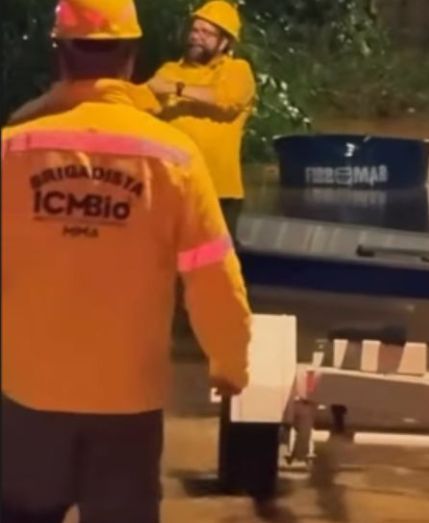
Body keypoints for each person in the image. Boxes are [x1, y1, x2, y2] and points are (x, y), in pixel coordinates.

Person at [1, 0, 252, 521]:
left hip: (26, 395)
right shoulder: (175, 158)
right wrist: (229, 364)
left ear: (61, 54)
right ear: (132, 58)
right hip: (127, 401)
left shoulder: (13, 149)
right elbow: (213, 276)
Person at [147, 0, 257, 239]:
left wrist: (175, 89)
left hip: (219, 190)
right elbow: (144, 108)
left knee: (215, 269)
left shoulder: (237, 70)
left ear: (224, 42)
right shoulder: (168, 70)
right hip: (172, 188)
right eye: (195, 30)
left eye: (206, 33)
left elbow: (226, 99)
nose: (197, 37)